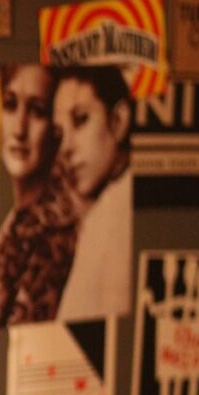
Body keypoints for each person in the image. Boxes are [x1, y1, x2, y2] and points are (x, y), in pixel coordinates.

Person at [0, 64, 81, 330]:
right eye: (10, 105)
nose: (19, 129)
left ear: (57, 128)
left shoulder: (54, 235)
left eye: (37, 111)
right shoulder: (20, 220)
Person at [52, 65, 132, 321]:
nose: (66, 148)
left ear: (118, 121)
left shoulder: (118, 212)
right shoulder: (101, 212)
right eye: (59, 133)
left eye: (81, 119)